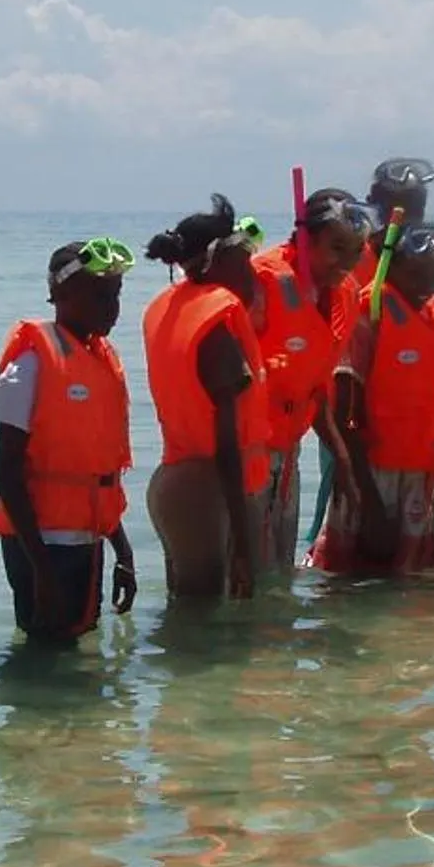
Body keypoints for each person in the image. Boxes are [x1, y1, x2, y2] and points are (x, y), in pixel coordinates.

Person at [0, 238, 140, 643]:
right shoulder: (31, 364)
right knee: (47, 659)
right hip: (41, 546)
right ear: (60, 295)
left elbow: (98, 476)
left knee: (77, 659)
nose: (112, 308)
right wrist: (41, 570)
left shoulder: (99, 359)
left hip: (87, 537)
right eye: (99, 297)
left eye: (116, 296)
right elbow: (6, 475)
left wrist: (122, 551)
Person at [315, 220, 434, 572]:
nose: (427, 285)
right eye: (417, 274)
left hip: (429, 479)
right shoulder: (369, 312)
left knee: (424, 593)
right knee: (361, 583)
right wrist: (369, 503)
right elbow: (344, 417)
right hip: (376, 479)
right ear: (393, 266)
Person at [141, 196, 270, 600]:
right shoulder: (215, 326)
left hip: (176, 485)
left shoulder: (171, 306)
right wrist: (244, 546)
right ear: (217, 258)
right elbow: (227, 442)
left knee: (188, 618)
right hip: (205, 491)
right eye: (242, 255)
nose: (250, 266)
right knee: (203, 628)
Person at [251, 189, 370, 570]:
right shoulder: (262, 280)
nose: (347, 262)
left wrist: (342, 458)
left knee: (277, 573)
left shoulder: (345, 294)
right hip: (245, 455)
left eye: (357, 251)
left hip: (288, 457)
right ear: (305, 239)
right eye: (337, 248)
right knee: (241, 573)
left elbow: (315, 388)